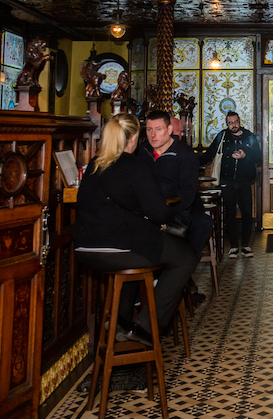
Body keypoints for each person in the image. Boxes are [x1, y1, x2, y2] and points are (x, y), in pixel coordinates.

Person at [74, 114, 201, 344]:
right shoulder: (133, 164)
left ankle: (120, 319)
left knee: (140, 254)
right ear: (133, 138)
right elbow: (158, 213)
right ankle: (144, 326)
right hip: (118, 245)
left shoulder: (94, 164)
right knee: (185, 257)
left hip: (85, 248)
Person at [138, 110, 214, 254]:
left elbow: (187, 193)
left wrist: (165, 210)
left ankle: (181, 268)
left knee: (200, 225)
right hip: (146, 211)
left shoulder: (185, 154)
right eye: (149, 130)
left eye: (158, 129)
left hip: (175, 211)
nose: (153, 135)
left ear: (169, 130)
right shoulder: (143, 151)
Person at [200, 111, 261, 258]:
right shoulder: (222, 136)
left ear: (239, 121)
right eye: (230, 123)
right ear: (226, 123)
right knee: (230, 213)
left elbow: (258, 156)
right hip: (227, 181)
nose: (233, 125)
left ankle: (246, 245)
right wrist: (191, 164)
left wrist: (245, 156)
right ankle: (234, 246)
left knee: (247, 212)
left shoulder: (249, 136)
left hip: (245, 180)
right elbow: (209, 154)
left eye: (235, 122)